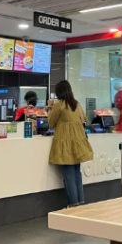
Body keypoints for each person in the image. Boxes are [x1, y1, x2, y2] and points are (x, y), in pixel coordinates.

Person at [47, 79, 93, 207]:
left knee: (68, 175)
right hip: (77, 142)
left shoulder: (59, 105)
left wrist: (50, 107)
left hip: (65, 142)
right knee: (76, 174)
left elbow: (51, 122)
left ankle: (73, 204)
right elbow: (84, 118)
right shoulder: (76, 104)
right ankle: (80, 202)